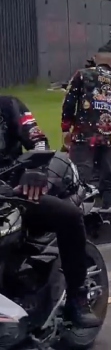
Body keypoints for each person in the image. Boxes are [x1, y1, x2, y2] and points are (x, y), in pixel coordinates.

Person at [1, 96, 102, 328]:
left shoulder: (9, 106)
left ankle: (77, 296)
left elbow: (38, 142)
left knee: (68, 216)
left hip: (13, 192)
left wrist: (34, 169)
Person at [61, 44, 111, 212]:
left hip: (85, 134)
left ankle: (78, 216)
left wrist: (65, 128)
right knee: (110, 181)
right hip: (110, 137)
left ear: (96, 58)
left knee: (80, 178)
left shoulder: (83, 75)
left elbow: (69, 103)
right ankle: (110, 220)